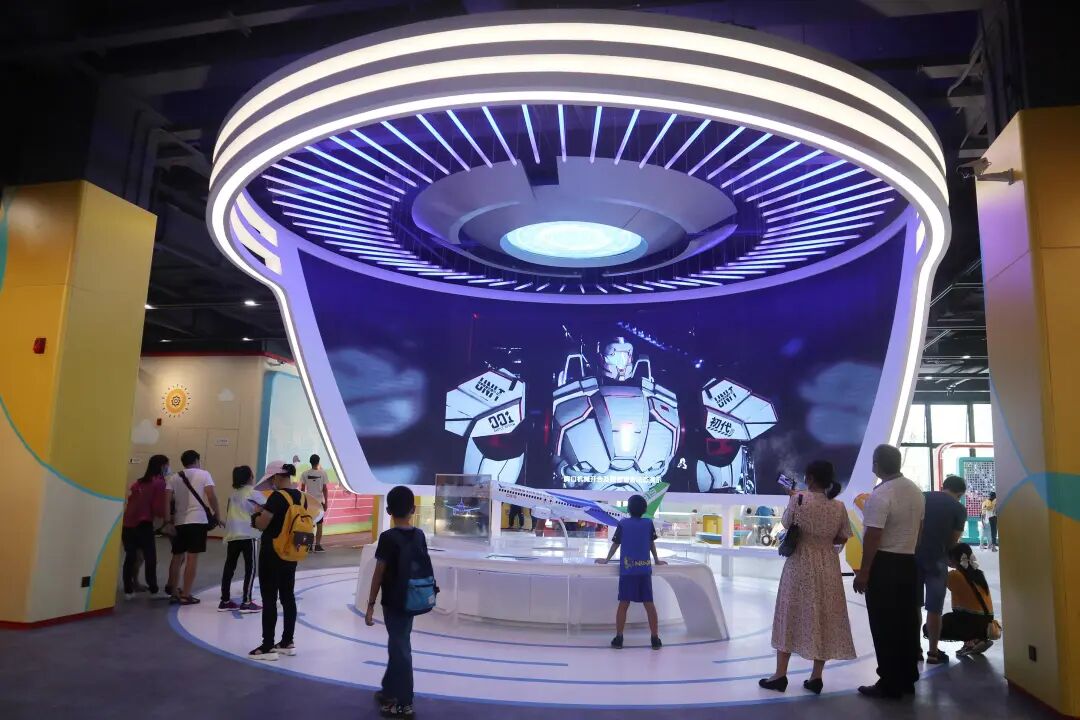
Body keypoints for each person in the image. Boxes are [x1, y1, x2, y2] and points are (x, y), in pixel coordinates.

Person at [759, 460, 856, 694]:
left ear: (809, 478)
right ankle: (816, 677)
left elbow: (786, 523)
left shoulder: (798, 499)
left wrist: (792, 498)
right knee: (824, 616)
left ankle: (780, 675)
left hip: (799, 564)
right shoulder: (839, 506)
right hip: (828, 566)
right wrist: (825, 544)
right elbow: (843, 536)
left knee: (790, 614)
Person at [854, 444, 925, 699]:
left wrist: (864, 572)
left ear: (877, 464)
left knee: (884, 624)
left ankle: (889, 681)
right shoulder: (915, 491)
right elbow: (919, 530)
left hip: (885, 564)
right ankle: (907, 678)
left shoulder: (881, 494)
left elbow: (873, 535)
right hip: (908, 561)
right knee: (906, 622)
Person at [365, 485, 431, 719]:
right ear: (413, 509)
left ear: (388, 510)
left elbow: (379, 573)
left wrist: (370, 605)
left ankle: (404, 702)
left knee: (401, 647)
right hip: (413, 598)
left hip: (393, 601)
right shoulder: (419, 535)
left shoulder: (387, 538)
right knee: (398, 643)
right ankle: (389, 690)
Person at [595, 494, 667, 650]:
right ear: (644, 509)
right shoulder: (648, 523)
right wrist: (656, 560)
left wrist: (606, 560)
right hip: (644, 570)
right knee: (649, 605)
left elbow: (615, 544)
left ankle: (619, 638)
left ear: (628, 509)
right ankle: (655, 638)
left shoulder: (623, 524)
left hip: (628, 572)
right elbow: (651, 544)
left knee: (623, 604)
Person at [249, 461, 301, 661]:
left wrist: (255, 515)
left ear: (278, 476)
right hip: (291, 552)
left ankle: (267, 646)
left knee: (269, 598)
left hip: (272, 552)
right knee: (288, 596)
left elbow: (263, 524)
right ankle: (287, 642)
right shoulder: (300, 496)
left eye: (271, 479)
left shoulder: (277, 497)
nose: (271, 483)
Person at [915, 474, 967, 664]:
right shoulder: (958, 508)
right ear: (960, 494)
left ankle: (915, 650)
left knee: (914, 605)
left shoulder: (922, 497)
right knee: (934, 608)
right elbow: (953, 540)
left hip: (913, 558)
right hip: (937, 561)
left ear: (943, 486)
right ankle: (933, 652)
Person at [165, 450, 221, 605]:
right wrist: (217, 513)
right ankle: (186, 594)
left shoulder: (174, 477)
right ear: (197, 460)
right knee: (192, 558)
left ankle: (174, 593)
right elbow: (211, 495)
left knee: (177, 557)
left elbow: (167, 500)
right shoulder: (204, 474)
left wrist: (168, 521)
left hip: (179, 521)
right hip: (197, 521)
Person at [121, 455, 169, 599]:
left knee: (131, 557)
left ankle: (128, 590)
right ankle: (154, 590)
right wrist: (166, 520)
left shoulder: (138, 482)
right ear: (162, 466)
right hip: (143, 524)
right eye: (167, 465)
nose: (168, 468)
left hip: (127, 524)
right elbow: (158, 507)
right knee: (150, 558)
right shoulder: (159, 483)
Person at [219, 466, 262, 613]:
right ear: (250, 477)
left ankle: (225, 601)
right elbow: (266, 508)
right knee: (251, 568)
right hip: (248, 534)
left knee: (229, 567)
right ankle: (247, 602)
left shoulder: (233, 495)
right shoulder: (253, 493)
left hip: (233, 535)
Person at [939, 543, 996, 656]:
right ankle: (976, 640)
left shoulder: (955, 575)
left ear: (953, 559)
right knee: (963, 615)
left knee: (932, 625)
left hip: (972, 624)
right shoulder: (978, 574)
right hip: (987, 623)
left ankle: (973, 640)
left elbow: (938, 580)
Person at [301, 454, 329, 552]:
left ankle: (308, 546)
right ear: (318, 462)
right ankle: (317, 545)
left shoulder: (305, 473)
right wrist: (326, 502)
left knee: (309, 524)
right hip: (319, 503)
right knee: (319, 525)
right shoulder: (323, 473)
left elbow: (302, 489)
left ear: (310, 462)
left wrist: (302, 502)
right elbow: (325, 489)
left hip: (309, 503)